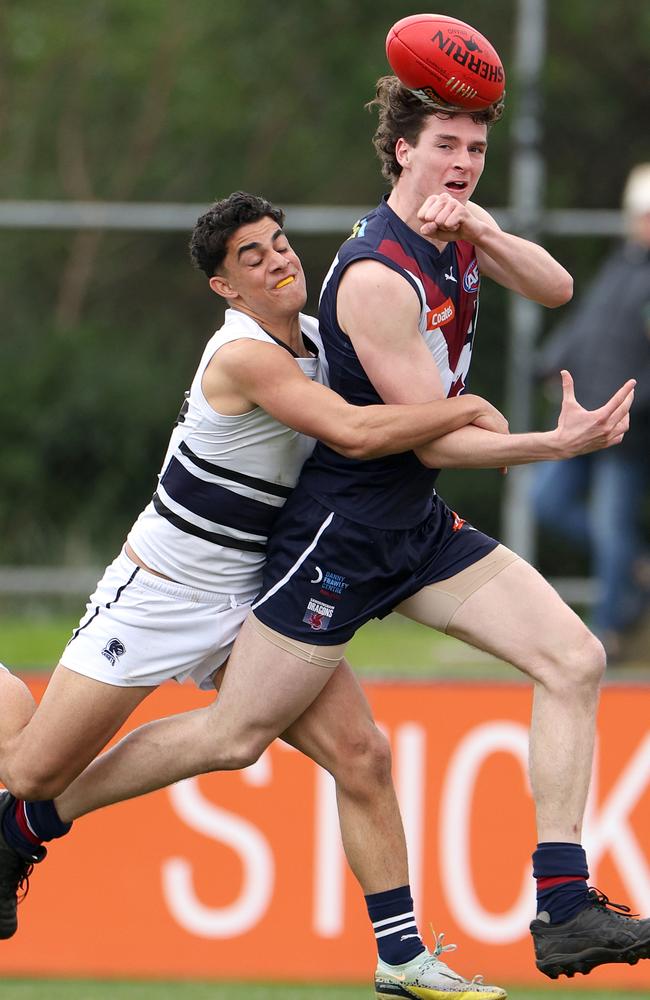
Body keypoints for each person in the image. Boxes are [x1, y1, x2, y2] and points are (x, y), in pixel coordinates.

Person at [0, 116, 637, 992]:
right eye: (252, 259)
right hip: (179, 581)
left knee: (537, 674)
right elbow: (358, 431)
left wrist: (481, 227)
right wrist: (493, 421)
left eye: (277, 243)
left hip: (325, 550)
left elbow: (554, 287)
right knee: (46, 764)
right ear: (225, 288)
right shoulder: (252, 349)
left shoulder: (330, 317)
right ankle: (20, 828)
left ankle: (514, 919)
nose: (277, 261)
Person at [532, 162, 650, 661]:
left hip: (628, 428)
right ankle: (637, 566)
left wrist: (632, 409)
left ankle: (608, 633)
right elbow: (588, 327)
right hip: (587, 419)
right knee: (547, 503)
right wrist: (549, 364)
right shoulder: (623, 263)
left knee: (610, 528)